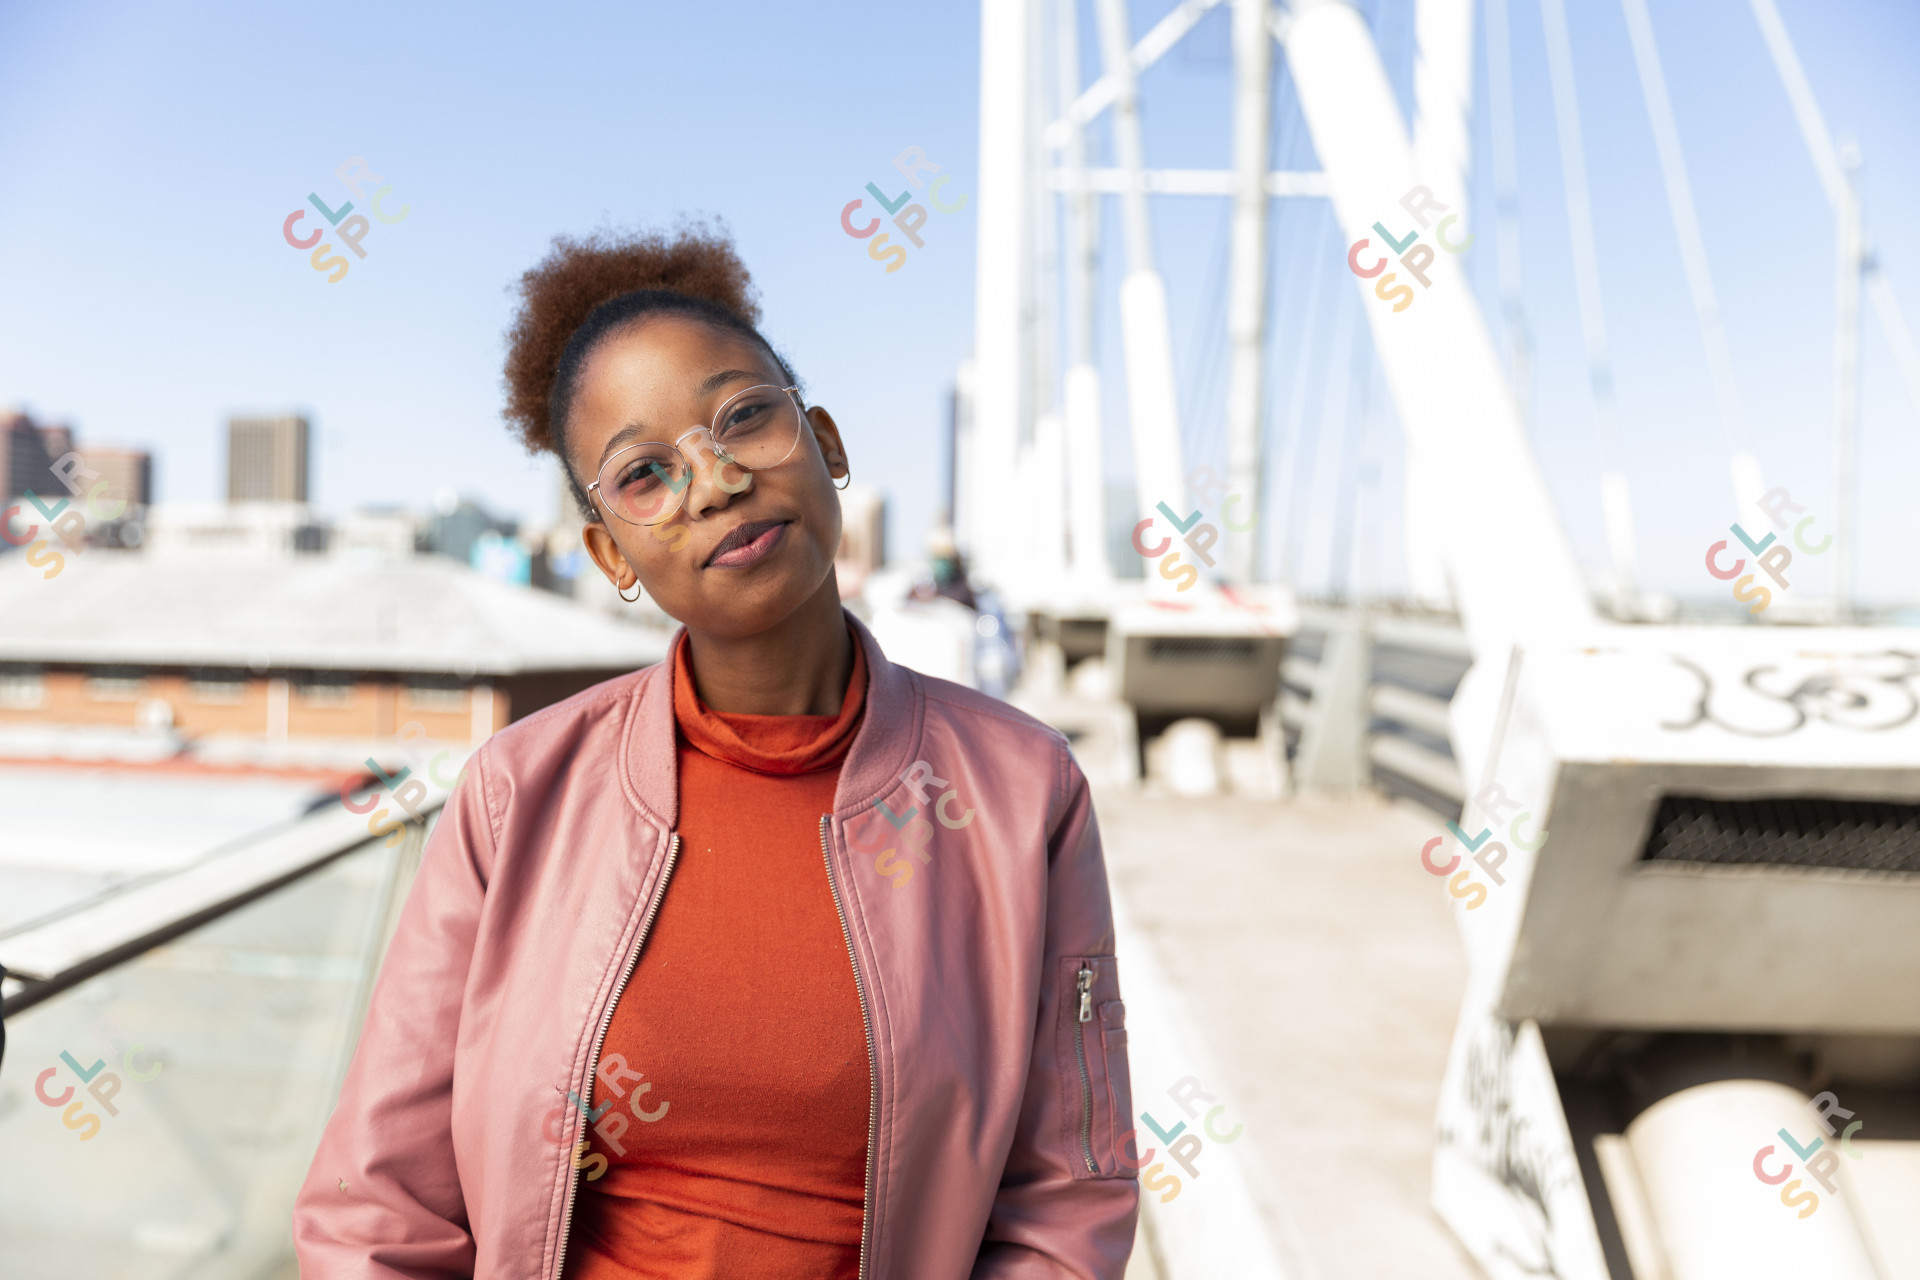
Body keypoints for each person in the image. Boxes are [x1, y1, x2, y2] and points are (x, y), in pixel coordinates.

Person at [291, 224, 1137, 1279]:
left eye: (743, 417)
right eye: (644, 474)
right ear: (610, 553)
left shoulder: (1022, 789)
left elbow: (1068, 1199)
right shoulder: (516, 793)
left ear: (826, 444)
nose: (714, 481)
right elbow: (376, 1205)